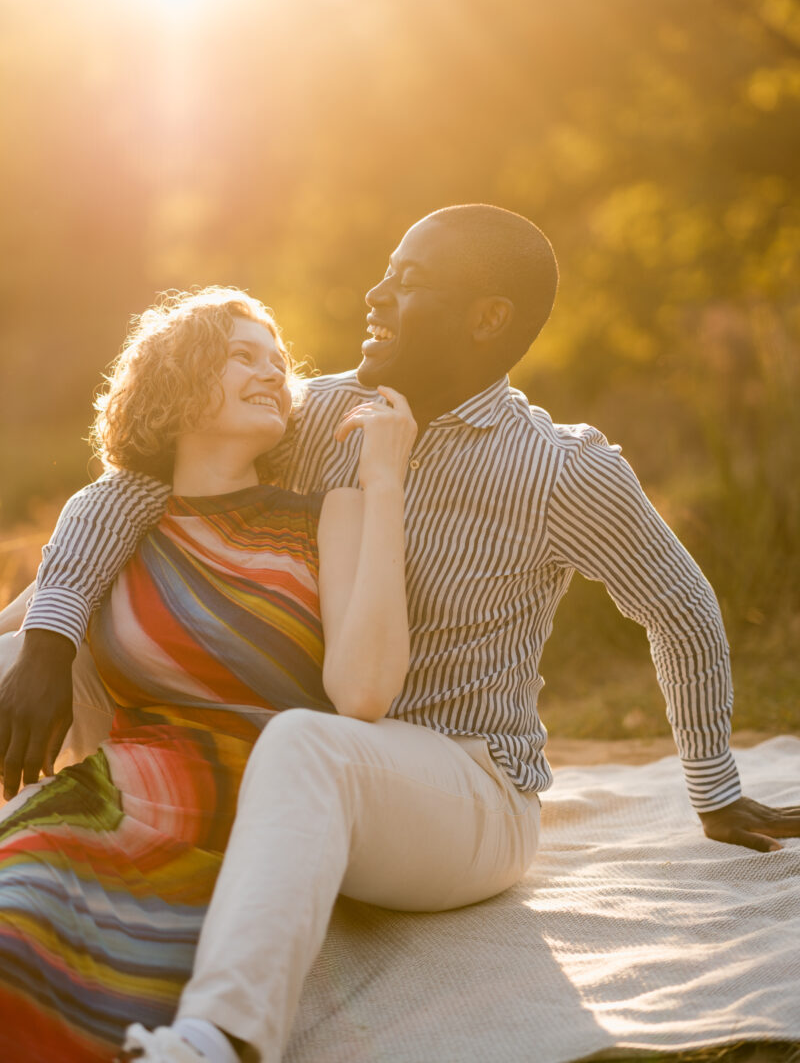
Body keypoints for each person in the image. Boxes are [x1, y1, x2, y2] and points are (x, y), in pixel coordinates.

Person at [2, 204, 798, 1063]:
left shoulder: (562, 469)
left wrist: (713, 787)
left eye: (408, 281)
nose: (375, 294)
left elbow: (680, 606)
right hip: (291, 758)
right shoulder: (317, 416)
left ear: (487, 318)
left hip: (465, 785)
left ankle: (219, 1039)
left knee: (313, 744)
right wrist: (47, 633)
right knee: (21, 642)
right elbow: (141, 487)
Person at [0, 286, 441, 1060]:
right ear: (178, 379)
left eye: (278, 361)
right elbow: (20, 643)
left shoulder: (324, 513)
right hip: (117, 798)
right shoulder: (122, 524)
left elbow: (363, 694)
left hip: (262, 819)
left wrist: (384, 482)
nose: (273, 371)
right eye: (244, 355)